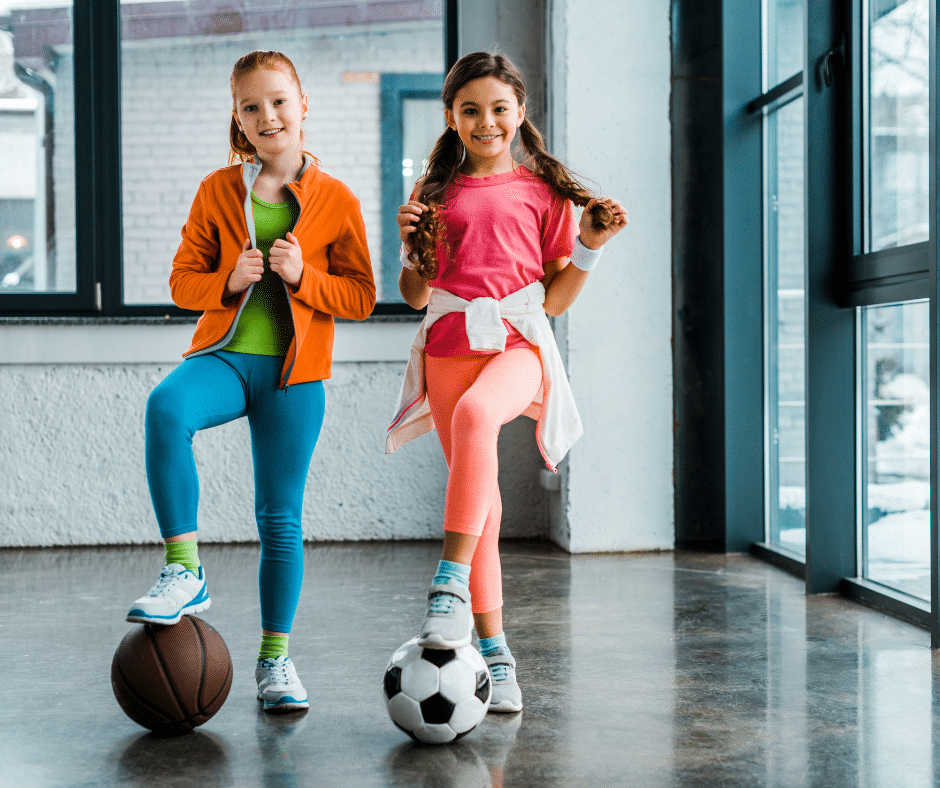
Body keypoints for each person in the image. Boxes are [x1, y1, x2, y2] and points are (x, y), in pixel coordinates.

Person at [126, 50, 376, 714]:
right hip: (229, 360)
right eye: (251, 106)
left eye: (278, 100)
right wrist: (227, 281)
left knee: (280, 518)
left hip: (295, 380)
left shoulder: (336, 198)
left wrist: (303, 279)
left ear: (303, 105)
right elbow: (183, 284)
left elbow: (360, 297)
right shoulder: (217, 190)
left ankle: (275, 661)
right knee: (166, 408)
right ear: (237, 119)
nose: (268, 116)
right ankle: (185, 567)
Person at [386, 51, 628, 713]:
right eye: (471, 109)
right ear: (451, 118)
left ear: (520, 113)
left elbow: (554, 300)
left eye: (499, 108)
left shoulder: (543, 195)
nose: (486, 121)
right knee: (484, 517)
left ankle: (447, 582)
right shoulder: (432, 195)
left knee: (475, 417)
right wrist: (409, 248)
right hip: (448, 346)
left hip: (520, 344)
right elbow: (413, 296)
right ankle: (497, 656)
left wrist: (590, 246)